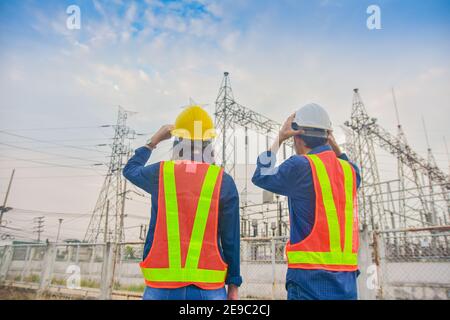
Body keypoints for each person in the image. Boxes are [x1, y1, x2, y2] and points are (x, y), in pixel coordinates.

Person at [123, 105, 241, 300]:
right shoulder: (223, 181)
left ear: (177, 141)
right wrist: (234, 286)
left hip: (161, 285)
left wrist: (153, 142)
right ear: (208, 144)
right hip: (209, 288)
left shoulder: (161, 173)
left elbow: (130, 170)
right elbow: (231, 239)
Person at [252, 103, 361, 300]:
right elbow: (346, 163)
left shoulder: (301, 166)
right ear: (328, 135)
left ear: (297, 138)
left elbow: (261, 175)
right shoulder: (350, 172)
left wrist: (279, 138)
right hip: (347, 283)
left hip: (309, 282)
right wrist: (333, 144)